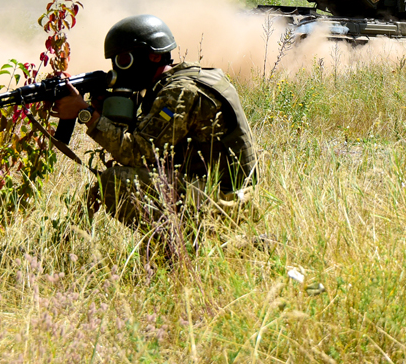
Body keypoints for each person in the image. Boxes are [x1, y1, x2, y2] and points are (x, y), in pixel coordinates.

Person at [52, 14, 256, 248]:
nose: (118, 68)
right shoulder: (183, 78)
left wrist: (86, 114)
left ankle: (185, 249)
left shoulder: (179, 92)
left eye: (124, 59)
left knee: (115, 182)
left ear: (153, 55)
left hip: (226, 200)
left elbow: (138, 153)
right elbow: (152, 140)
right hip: (221, 191)